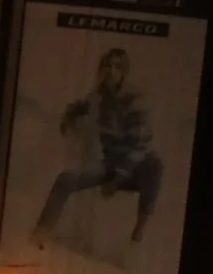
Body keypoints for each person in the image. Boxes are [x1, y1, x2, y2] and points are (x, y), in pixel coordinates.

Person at [33, 47, 164, 245]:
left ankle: (138, 234)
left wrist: (118, 179)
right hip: (112, 162)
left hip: (137, 166)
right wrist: (68, 117)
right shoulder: (98, 96)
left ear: (123, 72)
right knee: (65, 179)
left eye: (117, 67)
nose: (111, 71)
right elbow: (81, 105)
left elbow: (138, 146)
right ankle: (40, 233)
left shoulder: (135, 99)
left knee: (154, 166)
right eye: (107, 66)